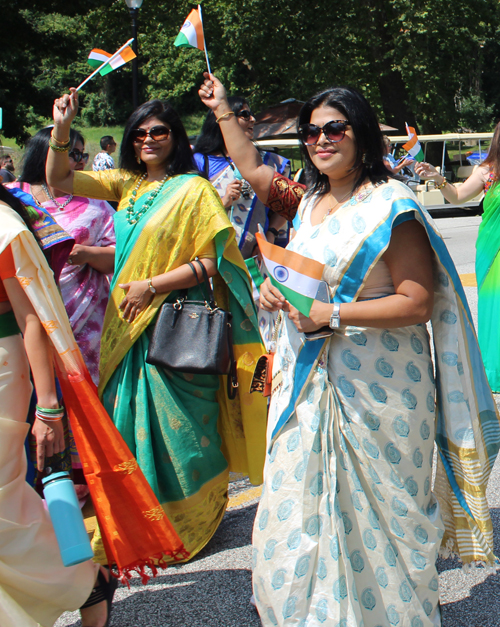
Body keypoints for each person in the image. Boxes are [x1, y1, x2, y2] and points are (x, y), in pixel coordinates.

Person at [199, 75, 500, 626]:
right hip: (308, 387)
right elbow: (253, 172)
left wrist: (331, 315)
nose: (321, 140)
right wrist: (273, 290)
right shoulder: (308, 199)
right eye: (311, 132)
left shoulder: (392, 205)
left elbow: (416, 301)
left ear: (360, 133)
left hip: (380, 394)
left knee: (385, 521)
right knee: (292, 525)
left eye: (334, 128)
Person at [46, 88, 268, 565]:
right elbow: (59, 178)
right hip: (125, 329)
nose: (148, 139)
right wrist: (62, 127)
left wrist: (152, 285)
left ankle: (187, 522)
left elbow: (212, 264)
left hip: (173, 325)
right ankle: (133, 522)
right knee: (126, 426)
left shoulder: (194, 189)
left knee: (182, 429)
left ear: (175, 138)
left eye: (159, 131)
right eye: (141, 132)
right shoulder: (126, 184)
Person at [0, 184, 171, 627]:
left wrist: (49, 408)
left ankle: (86, 582)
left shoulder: (3, 223)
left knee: (3, 504)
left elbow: (31, 317)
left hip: (3, 366)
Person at [9, 127, 116, 385]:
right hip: (27, 311)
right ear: (47, 152)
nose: (80, 161)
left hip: (87, 316)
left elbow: (119, 255)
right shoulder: (13, 197)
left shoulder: (96, 201)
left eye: (82, 154)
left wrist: (88, 254)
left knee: (87, 393)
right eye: (72, 153)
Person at [415, 133, 500, 392]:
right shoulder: (487, 171)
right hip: (492, 247)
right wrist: (438, 179)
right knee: (494, 305)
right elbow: (458, 196)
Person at [193, 97, 290, 258]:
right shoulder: (200, 162)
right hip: (213, 258)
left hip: (256, 261)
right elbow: (190, 212)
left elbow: (285, 207)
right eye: (245, 114)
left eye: (251, 114)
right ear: (223, 119)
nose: (253, 119)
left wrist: (270, 235)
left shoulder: (271, 163)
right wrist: (223, 201)